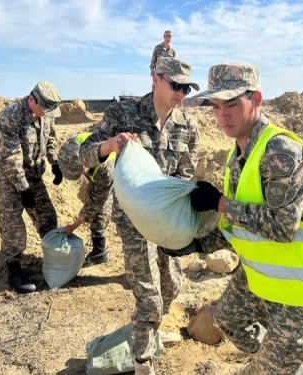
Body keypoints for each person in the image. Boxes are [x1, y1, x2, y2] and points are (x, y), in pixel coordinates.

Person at [166, 63, 303, 375]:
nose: (222, 116)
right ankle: (273, 360)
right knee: (229, 321)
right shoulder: (240, 152)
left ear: (255, 99)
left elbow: (283, 227)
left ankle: (283, 365)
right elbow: (238, 223)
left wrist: (218, 202)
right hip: (264, 273)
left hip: (300, 287)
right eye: (216, 107)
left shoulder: (279, 153)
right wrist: (194, 245)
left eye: (231, 104)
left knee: (280, 368)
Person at [79, 57, 200, 375]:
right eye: (175, 85)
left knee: (171, 285)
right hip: (133, 220)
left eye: (186, 88)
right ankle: (142, 363)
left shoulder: (188, 126)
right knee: (148, 294)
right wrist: (110, 144)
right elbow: (86, 152)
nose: (181, 93)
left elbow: (184, 179)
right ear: (155, 79)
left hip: (166, 221)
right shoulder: (124, 113)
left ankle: (150, 334)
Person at [0, 80, 64, 294]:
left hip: (34, 175)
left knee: (47, 216)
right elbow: (10, 158)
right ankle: (13, 269)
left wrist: (54, 162)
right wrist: (23, 189)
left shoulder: (47, 113)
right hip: (10, 179)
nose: (46, 114)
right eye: (44, 109)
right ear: (31, 99)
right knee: (12, 224)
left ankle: (53, 259)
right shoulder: (9, 118)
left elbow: (50, 138)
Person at [57, 132, 115, 267]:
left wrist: (73, 226)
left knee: (101, 206)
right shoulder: (73, 146)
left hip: (124, 172)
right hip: (100, 166)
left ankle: (99, 251)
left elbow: (96, 203)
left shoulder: (105, 169)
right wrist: (91, 182)